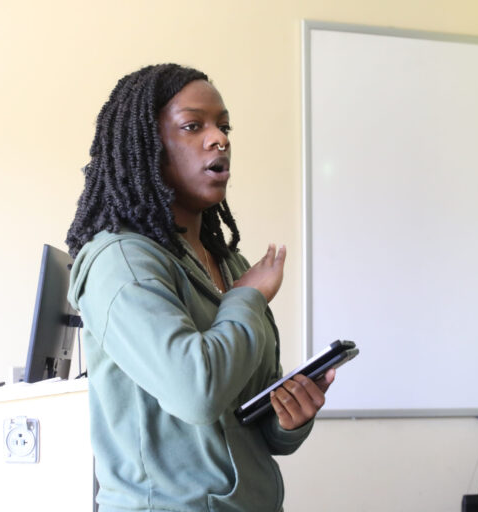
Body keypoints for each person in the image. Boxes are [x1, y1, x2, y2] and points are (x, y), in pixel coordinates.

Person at [65, 63, 335, 512]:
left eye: (224, 126)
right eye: (194, 126)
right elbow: (195, 392)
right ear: (148, 146)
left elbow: (251, 422)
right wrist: (248, 298)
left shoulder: (229, 263)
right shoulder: (121, 260)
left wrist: (292, 418)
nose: (219, 139)